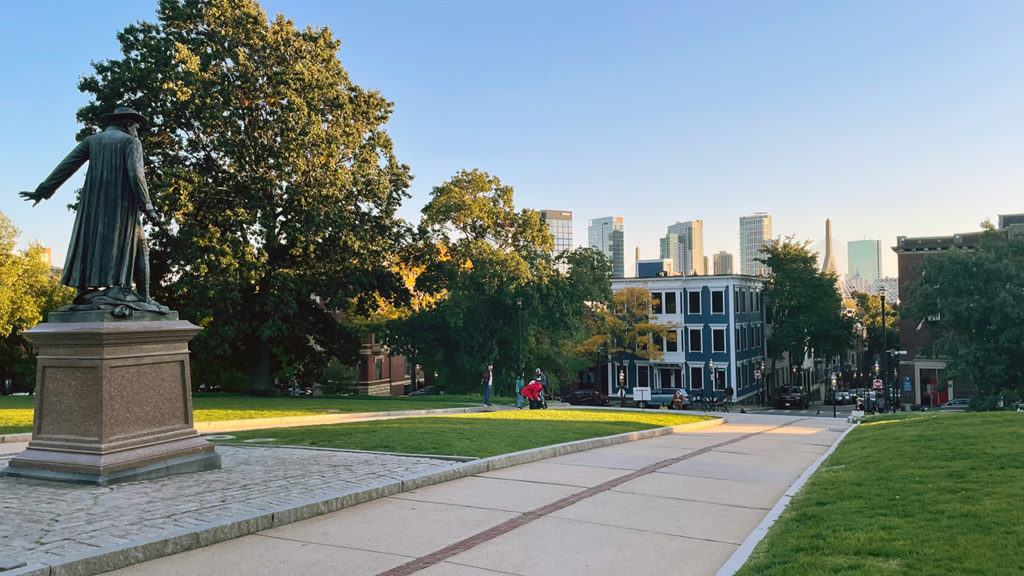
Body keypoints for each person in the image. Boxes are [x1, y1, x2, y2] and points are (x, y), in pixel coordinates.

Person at [20, 106, 168, 316]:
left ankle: (87, 291)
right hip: (122, 208)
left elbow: (67, 166)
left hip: (92, 208)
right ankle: (145, 297)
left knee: (89, 245)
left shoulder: (92, 140)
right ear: (127, 123)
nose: (137, 129)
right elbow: (137, 175)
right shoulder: (131, 142)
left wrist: (42, 190)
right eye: (136, 125)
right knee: (140, 245)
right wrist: (148, 206)